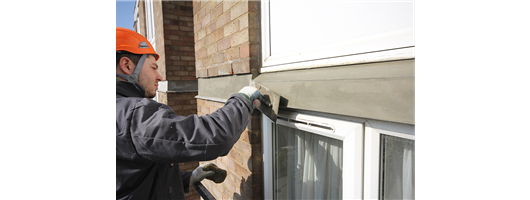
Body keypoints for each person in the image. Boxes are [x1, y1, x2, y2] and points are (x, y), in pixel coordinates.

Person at [115, 27, 261, 200]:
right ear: (126, 65)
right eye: (153, 67)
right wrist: (243, 100)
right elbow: (214, 136)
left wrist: (186, 179)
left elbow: (128, 179)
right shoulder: (131, 115)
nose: (159, 76)